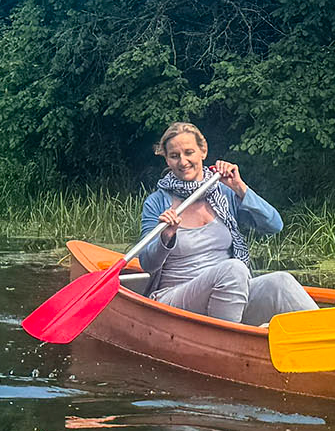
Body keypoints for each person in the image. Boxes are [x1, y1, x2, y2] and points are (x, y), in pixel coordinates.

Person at [136, 121, 318, 327]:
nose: (183, 161)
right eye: (174, 156)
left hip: (230, 290)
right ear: (167, 160)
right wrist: (166, 237)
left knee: (280, 282)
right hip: (174, 297)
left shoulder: (223, 193)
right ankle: (230, 339)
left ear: (203, 152)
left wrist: (240, 188)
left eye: (189, 152)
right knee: (234, 269)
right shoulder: (156, 203)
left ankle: (329, 335)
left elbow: (274, 225)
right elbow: (147, 263)